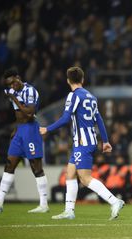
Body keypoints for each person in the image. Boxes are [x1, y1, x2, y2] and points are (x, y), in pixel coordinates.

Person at [39, 66, 124, 220]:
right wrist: (105, 141)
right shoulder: (92, 97)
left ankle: (114, 201)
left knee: (85, 178)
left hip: (83, 143)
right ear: (82, 80)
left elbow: (65, 119)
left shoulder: (73, 96)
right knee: (70, 174)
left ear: (68, 81)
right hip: (89, 141)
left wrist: (47, 129)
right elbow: (99, 120)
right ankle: (69, 211)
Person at [0, 68, 49, 213]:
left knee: (36, 167)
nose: (12, 86)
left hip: (31, 130)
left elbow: (30, 113)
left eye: (13, 83)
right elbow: (19, 115)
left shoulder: (29, 91)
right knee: (10, 163)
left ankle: (44, 204)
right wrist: (16, 128)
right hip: (21, 130)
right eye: (9, 85)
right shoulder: (14, 91)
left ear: (18, 78)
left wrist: (14, 98)